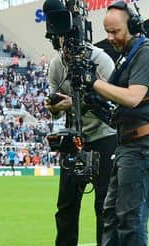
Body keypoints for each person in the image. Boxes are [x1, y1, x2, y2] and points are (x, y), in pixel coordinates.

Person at [90, 0, 149, 246]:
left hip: (143, 147)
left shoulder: (147, 52)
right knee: (112, 216)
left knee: (130, 220)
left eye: (115, 31)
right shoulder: (127, 57)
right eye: (107, 32)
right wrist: (69, 102)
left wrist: (94, 82)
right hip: (128, 146)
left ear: (133, 26)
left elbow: (133, 98)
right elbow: (106, 96)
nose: (110, 37)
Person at [47, 32, 117, 246]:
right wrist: (54, 107)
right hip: (74, 137)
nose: (67, 54)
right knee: (66, 205)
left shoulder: (101, 60)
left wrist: (76, 103)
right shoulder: (56, 65)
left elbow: (113, 104)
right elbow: (56, 111)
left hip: (104, 135)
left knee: (104, 204)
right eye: (63, 48)